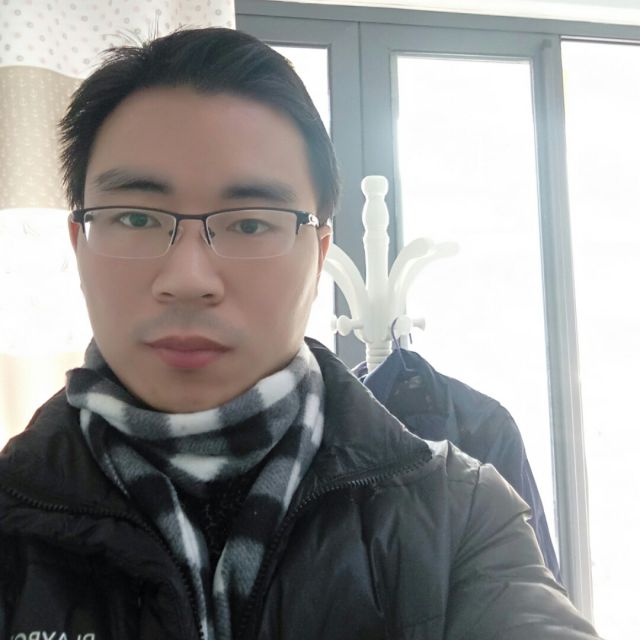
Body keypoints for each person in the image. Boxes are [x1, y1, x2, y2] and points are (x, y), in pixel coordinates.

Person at [0, 27, 600, 640]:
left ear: (318, 255)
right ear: (78, 244)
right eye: (135, 217)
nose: (187, 279)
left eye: (250, 224)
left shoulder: (461, 516)